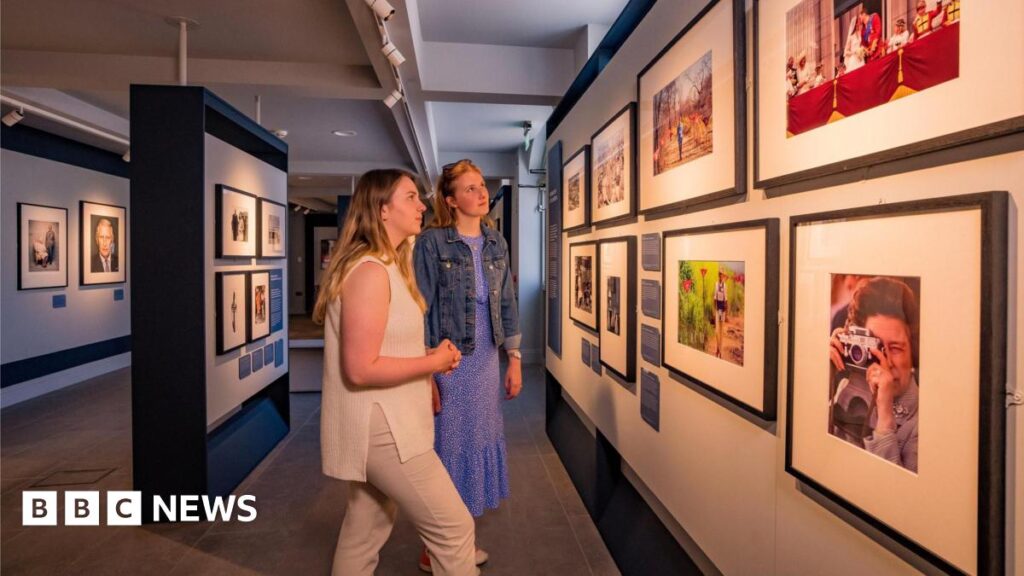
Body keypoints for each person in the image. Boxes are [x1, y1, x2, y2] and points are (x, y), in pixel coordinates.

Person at [314, 169, 478, 576]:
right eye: (410, 197)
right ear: (382, 209)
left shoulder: (388, 265)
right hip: (386, 429)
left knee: (364, 530)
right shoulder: (370, 272)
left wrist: (424, 358)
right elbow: (360, 368)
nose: (422, 205)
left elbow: (381, 346)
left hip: (388, 421)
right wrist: (432, 363)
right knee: (454, 528)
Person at [413, 159, 522, 573]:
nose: (482, 194)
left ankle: (458, 543)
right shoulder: (432, 243)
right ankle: (436, 548)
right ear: (450, 200)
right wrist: (426, 373)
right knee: (449, 450)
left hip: (486, 360)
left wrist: (514, 360)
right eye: (471, 188)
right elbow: (421, 310)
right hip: (449, 360)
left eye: (482, 187)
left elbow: (507, 304)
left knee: (476, 444)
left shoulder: (496, 243)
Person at [828, 277, 919, 473]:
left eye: (895, 348)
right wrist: (824, 378)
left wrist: (885, 416)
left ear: (914, 351)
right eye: (874, 347)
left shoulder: (924, 421)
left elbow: (897, 495)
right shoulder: (846, 389)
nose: (884, 363)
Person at [713, 271, 728, 358]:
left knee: (721, 332)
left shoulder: (725, 285)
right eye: (720, 274)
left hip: (723, 310)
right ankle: (718, 348)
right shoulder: (716, 284)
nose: (721, 276)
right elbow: (714, 298)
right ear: (718, 275)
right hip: (717, 309)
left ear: (723, 276)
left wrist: (727, 314)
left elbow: (726, 299)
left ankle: (719, 351)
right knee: (716, 331)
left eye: (722, 275)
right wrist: (714, 309)